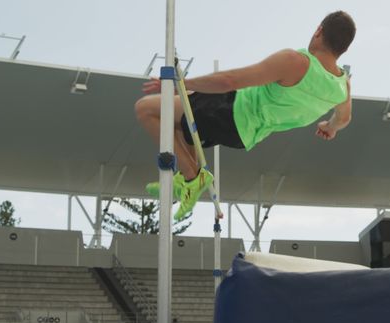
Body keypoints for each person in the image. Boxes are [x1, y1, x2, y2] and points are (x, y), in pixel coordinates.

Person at [135, 11, 356, 220]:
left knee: (146, 109)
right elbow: (343, 119)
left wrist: (181, 84)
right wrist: (329, 127)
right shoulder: (342, 88)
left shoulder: (297, 62)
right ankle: (185, 178)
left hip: (231, 110)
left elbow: (230, 81)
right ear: (343, 49)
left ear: (318, 31)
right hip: (244, 135)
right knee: (183, 118)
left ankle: (192, 177)